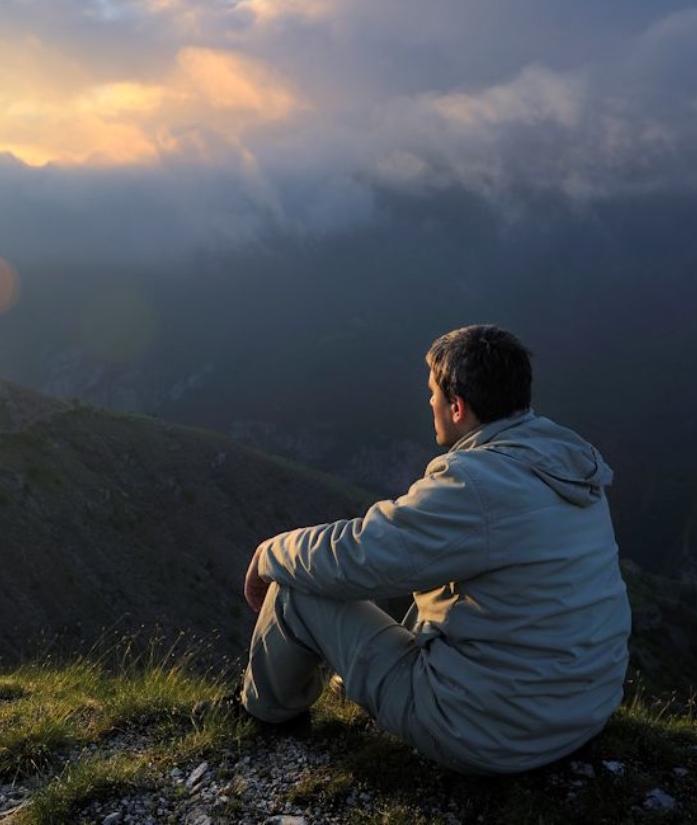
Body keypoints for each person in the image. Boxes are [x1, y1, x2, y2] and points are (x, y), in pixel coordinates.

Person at [239, 324, 631, 774]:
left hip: (487, 734)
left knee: (297, 588)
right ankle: (352, 685)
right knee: (434, 584)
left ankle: (262, 715)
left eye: (433, 393)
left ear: (457, 407)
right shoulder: (566, 465)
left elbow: (360, 556)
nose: (429, 403)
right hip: (580, 713)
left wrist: (270, 553)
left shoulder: (476, 485)